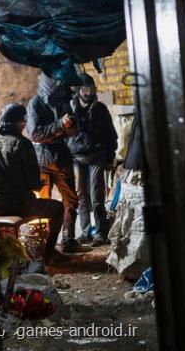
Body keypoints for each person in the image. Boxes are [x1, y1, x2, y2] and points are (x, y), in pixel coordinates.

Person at [0, 103, 67, 264]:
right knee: (58, 209)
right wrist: (39, 183)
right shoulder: (22, 143)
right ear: (18, 122)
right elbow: (32, 183)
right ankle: (48, 254)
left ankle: (2, 256)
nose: (24, 125)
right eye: (23, 121)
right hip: (20, 205)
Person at [26, 73, 80, 253]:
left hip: (62, 158)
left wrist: (69, 126)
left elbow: (74, 131)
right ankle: (43, 246)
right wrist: (60, 126)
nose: (60, 97)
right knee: (43, 203)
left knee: (71, 199)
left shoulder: (63, 102)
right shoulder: (35, 104)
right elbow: (36, 134)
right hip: (42, 160)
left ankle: (68, 240)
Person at [68, 73, 118, 247]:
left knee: (97, 196)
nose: (89, 92)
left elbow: (111, 134)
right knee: (81, 196)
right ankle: (85, 232)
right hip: (77, 157)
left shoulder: (100, 109)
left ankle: (101, 234)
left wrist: (110, 157)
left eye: (92, 88)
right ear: (79, 90)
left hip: (97, 155)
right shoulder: (70, 107)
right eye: (85, 89)